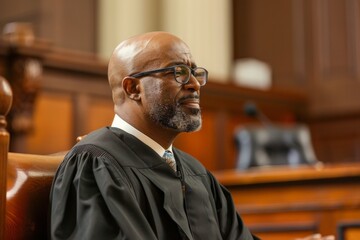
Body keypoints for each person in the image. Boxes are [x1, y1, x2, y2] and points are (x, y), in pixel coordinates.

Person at [49, 31, 333, 240]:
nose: (195, 84)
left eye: (196, 73)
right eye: (178, 72)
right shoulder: (95, 164)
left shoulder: (196, 173)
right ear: (133, 88)